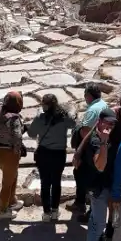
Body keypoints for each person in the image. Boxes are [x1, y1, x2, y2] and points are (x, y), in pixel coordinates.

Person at [78, 111, 116, 241]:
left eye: (112, 124)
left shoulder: (97, 134)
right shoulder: (96, 140)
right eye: (106, 123)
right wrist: (104, 142)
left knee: (96, 221)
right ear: (99, 122)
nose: (109, 127)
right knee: (97, 225)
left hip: (102, 186)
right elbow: (100, 166)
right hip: (97, 188)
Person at [27, 93, 75, 223]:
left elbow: (31, 134)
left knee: (45, 183)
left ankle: (46, 212)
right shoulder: (63, 118)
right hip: (59, 154)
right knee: (56, 182)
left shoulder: (40, 118)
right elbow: (73, 123)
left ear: (45, 105)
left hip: (44, 153)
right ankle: (55, 210)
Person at [0, 90, 26, 221]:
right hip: (8, 154)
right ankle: (3, 210)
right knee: (6, 183)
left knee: (13, 176)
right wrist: (18, 152)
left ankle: (12, 201)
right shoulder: (14, 118)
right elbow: (17, 137)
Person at [75, 83, 109, 213]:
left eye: (85, 95)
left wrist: (79, 151)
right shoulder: (103, 105)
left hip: (91, 149)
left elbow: (85, 132)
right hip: (101, 147)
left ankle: (82, 205)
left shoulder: (92, 110)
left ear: (89, 96)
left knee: (81, 174)